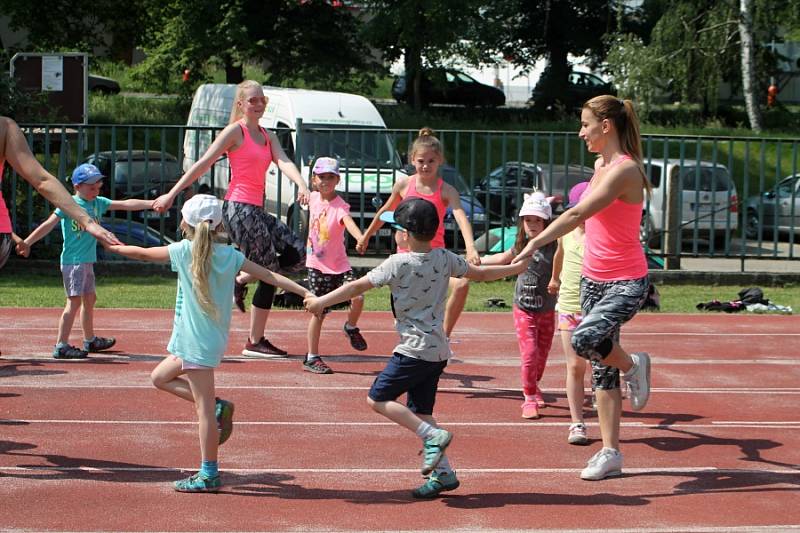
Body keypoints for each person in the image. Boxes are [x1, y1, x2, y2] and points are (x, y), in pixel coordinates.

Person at [305, 197, 529, 498]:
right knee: (421, 412)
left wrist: (321, 301)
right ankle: (444, 475)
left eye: (397, 229)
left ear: (406, 234)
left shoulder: (398, 263)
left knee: (377, 398)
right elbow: (481, 273)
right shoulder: (444, 258)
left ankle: (433, 436)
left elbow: (357, 286)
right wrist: (517, 267)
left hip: (413, 350)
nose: (395, 233)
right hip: (437, 352)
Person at [108, 194, 311, 492]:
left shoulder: (183, 250)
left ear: (186, 223)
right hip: (203, 341)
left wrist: (109, 243)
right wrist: (304, 291)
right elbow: (271, 276)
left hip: (195, 344)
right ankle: (218, 407)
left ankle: (209, 474)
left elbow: (142, 253)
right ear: (218, 225)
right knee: (160, 377)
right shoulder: (230, 255)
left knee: (202, 411)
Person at [513, 95, 652, 481]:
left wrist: (534, 242)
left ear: (605, 126)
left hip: (626, 281)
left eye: (585, 124)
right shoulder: (599, 165)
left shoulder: (626, 171)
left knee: (584, 339)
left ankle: (634, 364)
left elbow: (577, 214)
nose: (581, 132)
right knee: (600, 372)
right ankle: (611, 453)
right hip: (592, 278)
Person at [153, 80, 310, 358]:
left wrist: (302, 185)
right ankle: (255, 341)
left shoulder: (267, 135)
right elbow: (203, 163)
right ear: (241, 105)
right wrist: (172, 194)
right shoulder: (234, 132)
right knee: (270, 273)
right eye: (253, 100)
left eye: (262, 100)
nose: (259, 104)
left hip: (257, 211)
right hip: (238, 209)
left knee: (297, 254)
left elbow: (283, 160)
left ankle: (240, 280)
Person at [355, 127, 479, 342]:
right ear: (412, 160)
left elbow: (460, 216)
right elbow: (385, 211)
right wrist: (366, 236)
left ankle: (443, 336)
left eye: (431, 161)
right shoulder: (404, 185)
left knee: (461, 284)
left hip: (435, 256)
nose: (425, 165)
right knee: (408, 312)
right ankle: (408, 336)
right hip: (407, 254)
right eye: (421, 160)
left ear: (440, 160)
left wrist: (471, 247)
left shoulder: (446, 190)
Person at [22, 163, 154, 359]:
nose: (96, 190)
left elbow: (125, 204)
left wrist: (151, 204)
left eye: (98, 187)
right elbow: (48, 225)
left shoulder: (97, 203)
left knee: (90, 299)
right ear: (77, 186)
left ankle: (89, 340)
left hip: (87, 261)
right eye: (91, 187)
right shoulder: (69, 205)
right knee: (73, 302)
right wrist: (27, 242)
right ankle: (61, 345)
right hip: (73, 261)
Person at [481, 192, 557, 420]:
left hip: (547, 309)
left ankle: (534, 384)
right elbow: (502, 258)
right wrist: (476, 260)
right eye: (528, 220)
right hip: (523, 308)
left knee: (542, 357)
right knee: (530, 354)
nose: (533, 225)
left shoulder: (555, 247)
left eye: (538, 220)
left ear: (547, 223)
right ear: (522, 222)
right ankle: (529, 398)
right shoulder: (520, 245)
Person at [303, 156, 368, 375]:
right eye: (322, 177)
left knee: (358, 297)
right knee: (318, 311)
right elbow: (303, 195)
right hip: (316, 264)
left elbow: (348, 222)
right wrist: (302, 192)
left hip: (339, 265)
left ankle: (350, 326)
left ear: (337, 181)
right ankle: (312, 356)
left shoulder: (340, 206)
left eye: (331, 177)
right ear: (314, 180)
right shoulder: (312, 198)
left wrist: (360, 238)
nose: (326, 181)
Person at [547, 181, 592, 445]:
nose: (584, 217)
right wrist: (555, 278)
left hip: (596, 308)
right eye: (579, 211)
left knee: (600, 365)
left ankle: (603, 393)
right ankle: (577, 423)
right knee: (575, 366)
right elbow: (560, 255)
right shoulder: (567, 231)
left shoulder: (602, 233)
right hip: (568, 306)